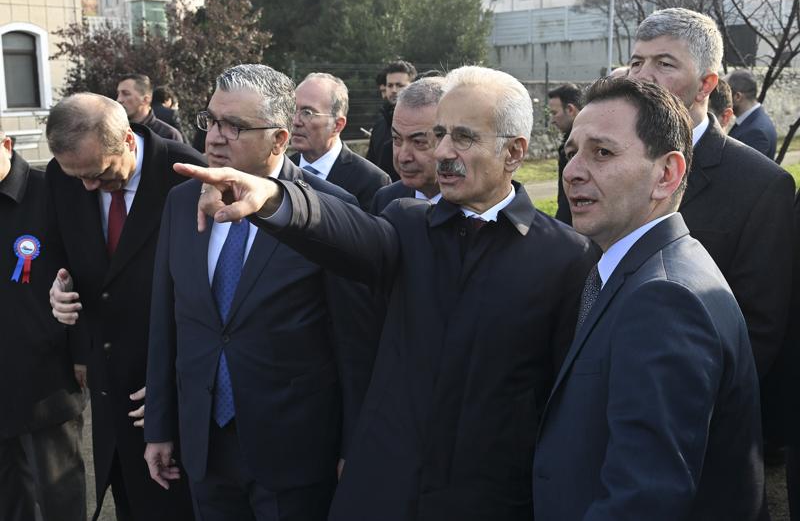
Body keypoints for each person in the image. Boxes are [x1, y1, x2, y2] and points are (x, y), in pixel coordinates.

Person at [174, 65, 597, 520]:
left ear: (514, 152)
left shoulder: (566, 258)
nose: (443, 152)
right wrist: (275, 197)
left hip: (490, 497)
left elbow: (568, 405)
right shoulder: (405, 224)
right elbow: (340, 228)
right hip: (386, 490)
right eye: (440, 135)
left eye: (464, 137)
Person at [144, 64, 378, 521]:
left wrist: (353, 446)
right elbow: (167, 321)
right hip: (204, 445)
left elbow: (354, 345)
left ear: (279, 139)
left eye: (234, 126)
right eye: (211, 120)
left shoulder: (327, 211)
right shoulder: (181, 202)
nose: (214, 137)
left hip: (293, 453)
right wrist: (159, 426)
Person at [533, 75, 765, 521]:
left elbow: (644, 499)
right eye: (571, 151)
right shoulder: (645, 269)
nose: (572, 171)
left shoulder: (664, 299)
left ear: (666, 174)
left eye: (602, 152)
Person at [46, 93, 203, 521]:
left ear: (128, 141)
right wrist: (57, 290)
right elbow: (59, 253)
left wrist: (176, 378)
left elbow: (214, 297)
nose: (87, 187)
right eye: (78, 176)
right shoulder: (64, 176)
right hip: (110, 390)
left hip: (174, 389)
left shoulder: (187, 175)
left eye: (99, 174)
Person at [629, 7, 795, 380]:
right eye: (636, 62)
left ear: (706, 85)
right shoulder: (601, 162)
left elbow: (758, 331)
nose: (642, 76)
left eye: (664, 63)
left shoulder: (761, 186)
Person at [0, 125, 87, 521]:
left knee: (58, 497)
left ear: (6, 144)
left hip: (47, 377)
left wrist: (81, 352)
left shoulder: (51, 190)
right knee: (9, 499)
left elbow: (85, 273)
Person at [289, 72, 389, 210]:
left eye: (307, 113)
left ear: (337, 125)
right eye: (292, 110)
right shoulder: (282, 170)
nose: (295, 121)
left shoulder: (371, 180)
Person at [370, 76, 444, 215]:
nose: (403, 157)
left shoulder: (476, 209)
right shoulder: (384, 199)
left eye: (418, 142)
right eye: (396, 139)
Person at [366, 60, 417, 179]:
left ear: (413, 87)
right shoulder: (380, 124)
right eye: (390, 85)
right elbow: (371, 162)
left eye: (399, 85)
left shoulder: (420, 123)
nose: (394, 90)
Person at [547, 83, 583, 225]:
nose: (552, 120)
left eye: (554, 113)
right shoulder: (570, 142)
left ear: (570, 109)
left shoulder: (578, 145)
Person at [117, 74, 186, 143]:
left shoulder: (169, 135)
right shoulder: (115, 131)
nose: (119, 99)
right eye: (118, 94)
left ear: (145, 99)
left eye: (126, 93)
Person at [727, 69, 779, 159]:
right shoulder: (751, 121)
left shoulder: (756, 133)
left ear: (737, 97)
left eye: (724, 93)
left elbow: (743, 167)